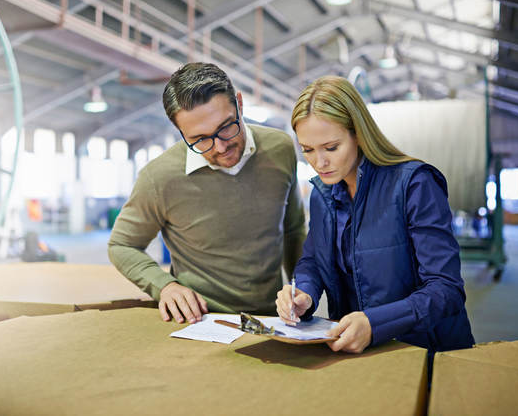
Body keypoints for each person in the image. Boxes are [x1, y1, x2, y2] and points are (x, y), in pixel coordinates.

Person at [275, 76, 474, 354]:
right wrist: (303, 294)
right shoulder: (324, 193)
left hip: (426, 350)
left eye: (331, 147)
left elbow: (446, 290)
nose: (319, 162)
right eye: (308, 150)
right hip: (359, 350)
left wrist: (375, 323)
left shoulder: (414, 185)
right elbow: (313, 260)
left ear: (358, 133)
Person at [109, 62, 306, 324]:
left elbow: (293, 229)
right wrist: (164, 286)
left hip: (271, 319)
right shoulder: (159, 178)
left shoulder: (279, 149)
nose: (221, 146)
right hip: (201, 323)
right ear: (180, 132)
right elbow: (122, 245)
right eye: (200, 139)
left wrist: (301, 287)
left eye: (226, 126)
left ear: (239, 103)